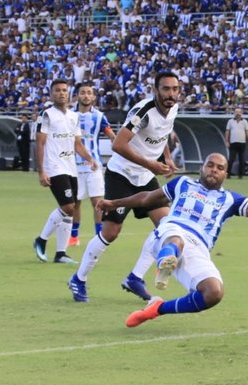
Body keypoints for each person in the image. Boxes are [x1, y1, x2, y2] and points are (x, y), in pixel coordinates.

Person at [94, 153, 248, 327]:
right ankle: (166, 261)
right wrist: (114, 203)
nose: (214, 170)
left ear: (226, 174)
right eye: (210, 165)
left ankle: (156, 309)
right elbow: (146, 198)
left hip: (198, 247)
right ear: (202, 167)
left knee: (213, 293)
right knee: (176, 241)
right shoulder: (182, 184)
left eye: (220, 168)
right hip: (170, 231)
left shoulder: (231, 200)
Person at [68, 71, 180, 302]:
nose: (171, 94)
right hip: (122, 175)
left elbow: (163, 135)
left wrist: (166, 158)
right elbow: (119, 144)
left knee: (166, 226)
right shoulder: (143, 112)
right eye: (166, 89)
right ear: (155, 90)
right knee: (110, 232)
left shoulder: (173, 109)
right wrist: (151, 163)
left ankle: (135, 278)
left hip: (145, 176)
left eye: (175, 89)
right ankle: (78, 279)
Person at [33, 79, 98, 264]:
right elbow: (40, 143)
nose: (61, 93)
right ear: (51, 94)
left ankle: (61, 253)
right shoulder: (46, 115)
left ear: (69, 94)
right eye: (57, 90)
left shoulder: (74, 116)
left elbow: (77, 144)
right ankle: (41, 239)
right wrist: (41, 171)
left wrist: (89, 158)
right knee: (68, 206)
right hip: (54, 167)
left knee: (71, 210)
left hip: (71, 167)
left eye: (64, 90)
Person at [68, 82, 116, 247]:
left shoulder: (99, 116)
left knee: (98, 202)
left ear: (94, 97)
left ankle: (98, 236)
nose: (86, 96)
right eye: (83, 92)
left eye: (89, 93)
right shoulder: (69, 115)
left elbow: (110, 134)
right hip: (73, 165)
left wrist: (119, 146)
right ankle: (74, 236)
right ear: (77, 96)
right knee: (75, 203)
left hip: (94, 165)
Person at [225, 107, 248, 179]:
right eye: (236, 112)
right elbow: (227, 131)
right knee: (231, 159)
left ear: (241, 113)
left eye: (239, 112)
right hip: (233, 142)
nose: (238, 113)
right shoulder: (230, 121)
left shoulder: (245, 122)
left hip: (242, 142)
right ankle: (228, 174)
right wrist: (226, 141)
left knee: (242, 160)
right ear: (234, 113)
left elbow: (247, 132)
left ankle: (240, 175)